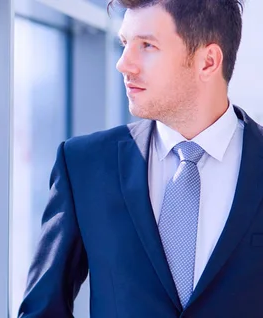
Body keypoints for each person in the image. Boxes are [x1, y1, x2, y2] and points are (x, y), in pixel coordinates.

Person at [17, 0, 262, 317]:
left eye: (147, 45)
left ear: (208, 62)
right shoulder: (83, 166)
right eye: (124, 43)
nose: (123, 63)